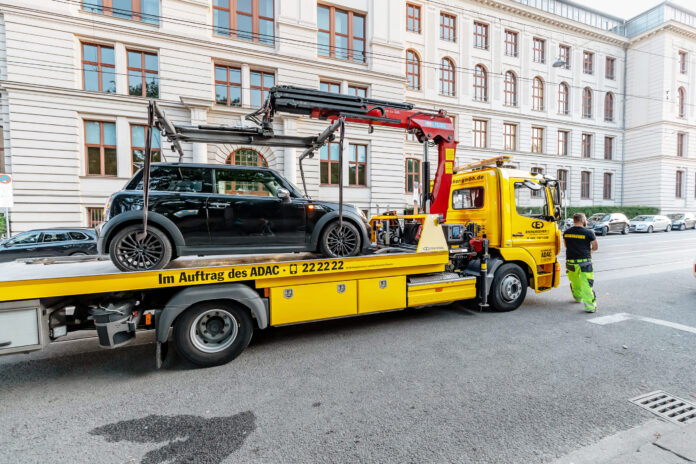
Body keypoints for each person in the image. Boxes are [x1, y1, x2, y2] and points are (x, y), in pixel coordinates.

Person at [563, 212, 599, 313]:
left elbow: (566, 246)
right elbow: (595, 247)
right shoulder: (589, 232)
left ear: (574, 220)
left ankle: (578, 298)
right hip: (584, 263)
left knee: (575, 281)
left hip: (570, 262)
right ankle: (590, 307)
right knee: (586, 284)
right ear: (583, 220)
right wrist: (589, 252)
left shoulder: (566, 232)